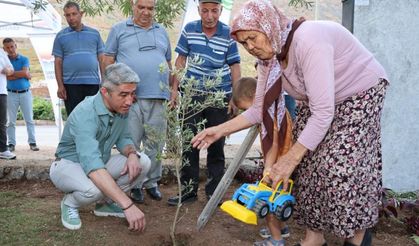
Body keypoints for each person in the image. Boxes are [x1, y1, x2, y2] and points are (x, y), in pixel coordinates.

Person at [192, 1, 389, 246]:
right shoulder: (270, 57)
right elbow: (257, 109)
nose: (250, 47)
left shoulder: (308, 40)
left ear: (269, 26)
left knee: (340, 169)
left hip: (359, 92)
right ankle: (314, 239)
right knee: (307, 170)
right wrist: (218, 131)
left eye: (253, 37)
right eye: (244, 43)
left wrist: (290, 157)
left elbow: (323, 112)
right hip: (319, 101)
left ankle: (358, 236)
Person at [49, 63, 151, 231]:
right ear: (105, 92)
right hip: (67, 165)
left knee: (143, 161)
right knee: (93, 190)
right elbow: (93, 166)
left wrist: (132, 155)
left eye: (132, 94)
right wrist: (127, 205)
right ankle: (69, 203)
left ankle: (105, 204)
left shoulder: (121, 108)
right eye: (124, 94)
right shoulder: (85, 113)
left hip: (99, 163)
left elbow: (124, 138)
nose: (129, 101)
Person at [167, 0, 241, 206]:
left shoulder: (228, 33)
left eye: (214, 11)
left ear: (220, 11)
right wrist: (174, 90)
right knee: (190, 143)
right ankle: (188, 191)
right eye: (205, 11)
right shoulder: (190, 29)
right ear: (199, 10)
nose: (209, 16)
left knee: (217, 145)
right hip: (192, 95)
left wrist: (235, 98)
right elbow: (181, 61)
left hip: (219, 97)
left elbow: (235, 67)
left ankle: (213, 193)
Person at [104, 0, 172, 204]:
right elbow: (108, 60)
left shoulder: (162, 31)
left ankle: (152, 183)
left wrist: (172, 90)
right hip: (129, 99)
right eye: (141, 7)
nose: (146, 12)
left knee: (156, 143)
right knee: (131, 142)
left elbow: (168, 62)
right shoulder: (118, 29)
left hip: (159, 96)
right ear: (133, 7)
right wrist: (110, 91)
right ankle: (134, 184)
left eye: (150, 8)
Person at [233, 76, 291, 246]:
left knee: (267, 199)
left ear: (254, 97)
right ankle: (283, 228)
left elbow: (274, 144)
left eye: (247, 109)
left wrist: (268, 169)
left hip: (278, 163)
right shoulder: (275, 109)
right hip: (285, 160)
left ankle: (276, 240)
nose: (248, 115)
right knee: (282, 196)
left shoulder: (268, 116)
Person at [52, 1, 105, 116]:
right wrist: (60, 86)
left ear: (81, 14)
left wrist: (105, 81)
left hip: (93, 84)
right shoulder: (60, 36)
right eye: (68, 15)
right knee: (74, 118)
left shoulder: (95, 34)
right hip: (70, 86)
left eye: (74, 14)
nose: (71, 18)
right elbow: (57, 62)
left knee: (94, 117)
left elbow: (102, 59)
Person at [2, 38, 39, 152]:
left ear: (15, 45)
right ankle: (11, 144)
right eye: (7, 47)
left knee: (29, 120)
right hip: (11, 94)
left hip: (25, 93)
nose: (10, 49)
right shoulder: (4, 60)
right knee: (11, 121)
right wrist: (22, 74)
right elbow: (9, 76)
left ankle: (32, 143)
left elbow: (24, 72)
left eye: (12, 46)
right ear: (4, 49)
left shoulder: (24, 59)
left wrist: (12, 73)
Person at [0, 49, 15, 159]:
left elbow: (11, 70)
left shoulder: (1, 52)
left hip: (1, 92)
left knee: (2, 121)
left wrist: (8, 70)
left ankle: (3, 149)